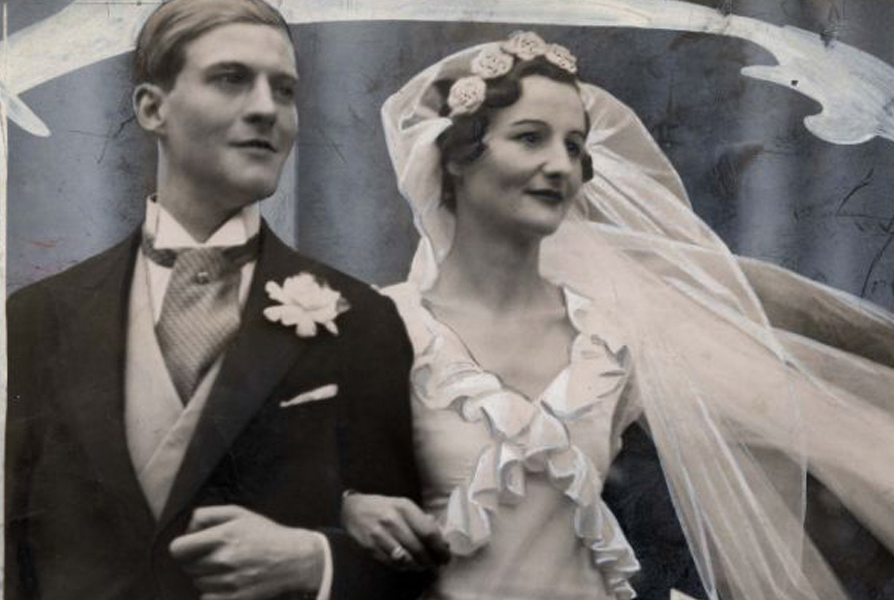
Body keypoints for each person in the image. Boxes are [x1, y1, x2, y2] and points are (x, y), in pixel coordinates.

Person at [341, 32, 894, 600]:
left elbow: (750, 470)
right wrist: (348, 509)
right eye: (530, 138)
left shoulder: (608, 335)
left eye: (574, 145)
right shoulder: (379, 326)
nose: (560, 165)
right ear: (457, 157)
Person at [4, 1, 427, 599]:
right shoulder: (37, 317)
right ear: (152, 109)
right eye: (231, 79)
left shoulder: (362, 318)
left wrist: (317, 563)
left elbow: (408, 562)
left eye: (284, 90)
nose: (266, 109)